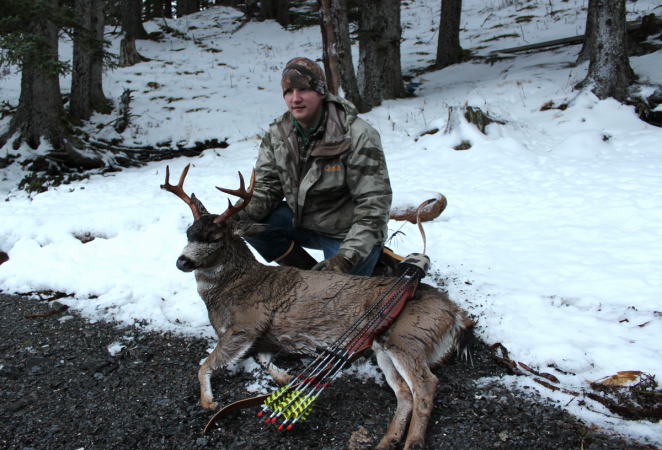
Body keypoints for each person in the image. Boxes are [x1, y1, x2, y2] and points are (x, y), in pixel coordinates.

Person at [239, 57, 392, 276]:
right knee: (249, 225)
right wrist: (232, 217)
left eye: (303, 89)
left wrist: (345, 258)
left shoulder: (358, 135)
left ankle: (370, 260)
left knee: (337, 299)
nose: (295, 99)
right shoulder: (278, 135)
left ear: (321, 92)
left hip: (346, 233)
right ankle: (309, 274)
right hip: (303, 223)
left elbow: (374, 204)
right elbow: (267, 188)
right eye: (288, 92)